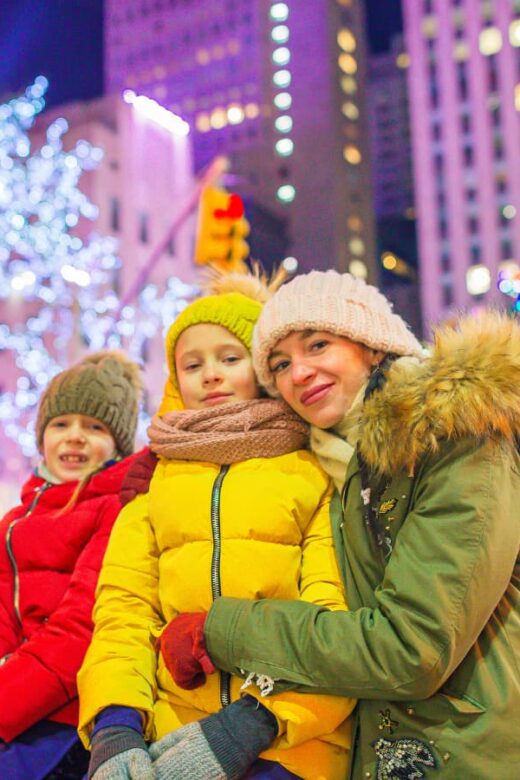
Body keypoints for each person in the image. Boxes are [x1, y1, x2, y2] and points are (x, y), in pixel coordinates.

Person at [163, 270, 520, 780]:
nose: (299, 372)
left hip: (469, 756)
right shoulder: (332, 465)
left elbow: (411, 649)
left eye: (318, 345)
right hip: (378, 753)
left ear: (372, 347)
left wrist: (220, 628)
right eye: (280, 363)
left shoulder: (457, 436)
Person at [77, 271, 356, 780]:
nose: (210, 375)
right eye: (192, 364)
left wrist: (249, 727)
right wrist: (115, 728)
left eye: (231, 358)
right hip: (167, 737)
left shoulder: (314, 471)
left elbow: (333, 621)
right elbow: (123, 613)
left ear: (265, 367)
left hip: (292, 744)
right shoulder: (157, 481)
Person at [0, 351, 142, 779]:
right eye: (61, 424)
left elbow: (80, 629)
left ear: (119, 444)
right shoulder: (15, 521)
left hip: (65, 717)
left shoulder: (115, 510)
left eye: (94, 426)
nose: (75, 437)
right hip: (18, 699)